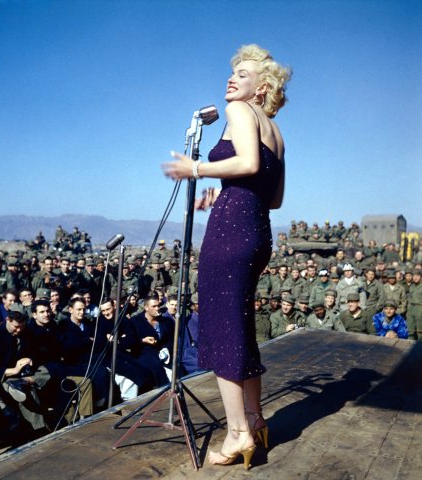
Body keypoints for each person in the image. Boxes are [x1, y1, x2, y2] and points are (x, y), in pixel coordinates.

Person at [163, 44, 291, 468]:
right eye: (232, 73)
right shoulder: (277, 132)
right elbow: (273, 198)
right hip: (257, 234)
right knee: (240, 327)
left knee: (221, 330)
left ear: (262, 88)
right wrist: (221, 196)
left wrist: (196, 170)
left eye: (243, 74)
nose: (232, 79)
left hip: (230, 236)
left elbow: (248, 163)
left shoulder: (239, 110)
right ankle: (254, 421)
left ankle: (238, 434)